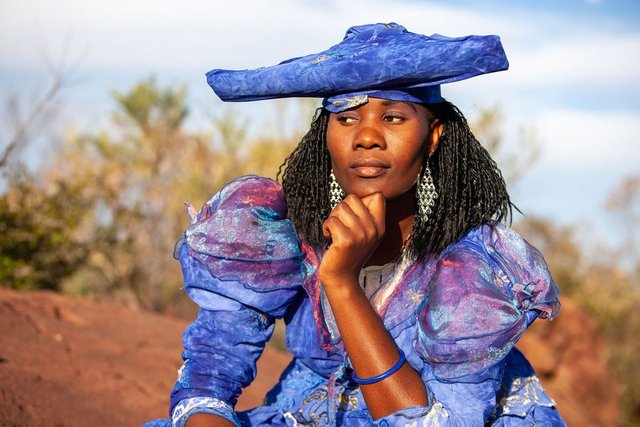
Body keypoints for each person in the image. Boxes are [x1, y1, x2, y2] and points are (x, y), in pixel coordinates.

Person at [147, 23, 565, 426]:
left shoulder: (470, 270)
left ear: (433, 134)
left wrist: (342, 282)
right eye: (346, 119)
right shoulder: (280, 233)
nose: (366, 137)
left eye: (393, 118)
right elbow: (208, 379)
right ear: (325, 132)